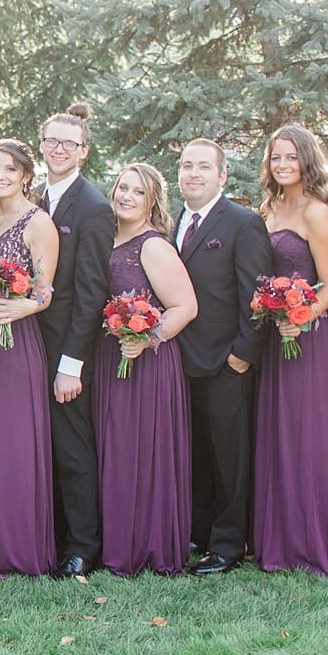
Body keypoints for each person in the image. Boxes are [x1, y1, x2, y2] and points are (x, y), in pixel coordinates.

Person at [172, 139, 272, 575]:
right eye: (187, 166)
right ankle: (202, 530)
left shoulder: (243, 223)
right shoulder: (173, 222)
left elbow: (258, 295)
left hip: (225, 363)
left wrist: (241, 357)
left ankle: (229, 544)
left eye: (203, 167)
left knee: (230, 457)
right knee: (196, 453)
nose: (193, 174)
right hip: (180, 362)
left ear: (222, 176)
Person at [252, 126, 328, 578]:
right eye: (276, 158)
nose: (283, 165)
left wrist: (302, 316)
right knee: (274, 431)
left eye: (291, 158)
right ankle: (276, 540)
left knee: (303, 433)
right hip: (273, 335)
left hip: (305, 338)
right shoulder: (269, 208)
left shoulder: (315, 211)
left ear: (306, 160)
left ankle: (309, 543)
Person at [94, 164, 198, 577]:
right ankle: (116, 540)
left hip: (146, 363)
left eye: (138, 192)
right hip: (109, 358)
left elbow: (186, 307)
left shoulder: (152, 246)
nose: (127, 197)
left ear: (152, 200)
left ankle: (148, 545)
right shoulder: (105, 238)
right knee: (115, 451)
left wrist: (146, 338)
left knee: (143, 451)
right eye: (122, 188)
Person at [0, 140, 59, 578]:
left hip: (18, 338)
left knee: (17, 441)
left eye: (10, 169)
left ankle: (23, 550)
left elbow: (45, 288)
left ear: (27, 174)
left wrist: (26, 306)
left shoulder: (37, 221)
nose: (1, 176)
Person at [35, 105, 114, 580]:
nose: (59, 149)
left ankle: (83, 545)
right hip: (26, 344)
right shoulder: (33, 195)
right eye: (52, 140)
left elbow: (91, 293)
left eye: (70, 143)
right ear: (42, 144)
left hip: (65, 348)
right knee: (43, 444)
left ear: (83, 151)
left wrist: (72, 363)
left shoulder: (93, 207)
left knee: (72, 448)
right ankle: (50, 535)